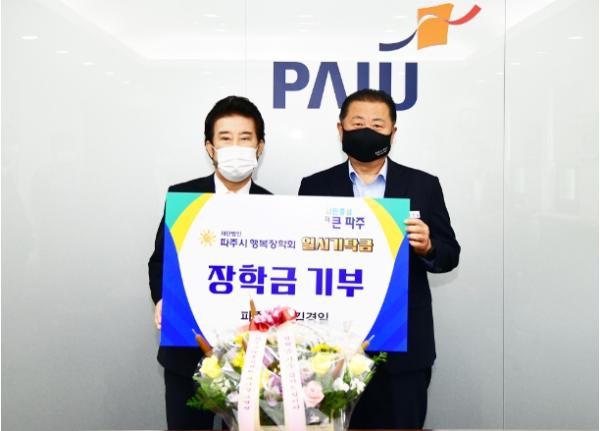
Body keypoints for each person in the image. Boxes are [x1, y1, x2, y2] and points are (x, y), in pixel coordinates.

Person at [298, 89, 460, 429]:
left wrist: (428, 246)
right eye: (357, 123)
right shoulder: (314, 186)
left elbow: (450, 254)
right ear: (341, 130)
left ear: (392, 133)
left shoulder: (423, 185)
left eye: (377, 124)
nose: (367, 131)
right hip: (333, 350)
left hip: (404, 348)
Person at [148, 96, 271, 430]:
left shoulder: (275, 207)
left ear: (260, 147)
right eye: (225, 138)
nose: (236, 147)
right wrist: (162, 299)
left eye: (245, 138)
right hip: (187, 353)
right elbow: (160, 261)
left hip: (252, 359)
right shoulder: (184, 198)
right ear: (210, 147)